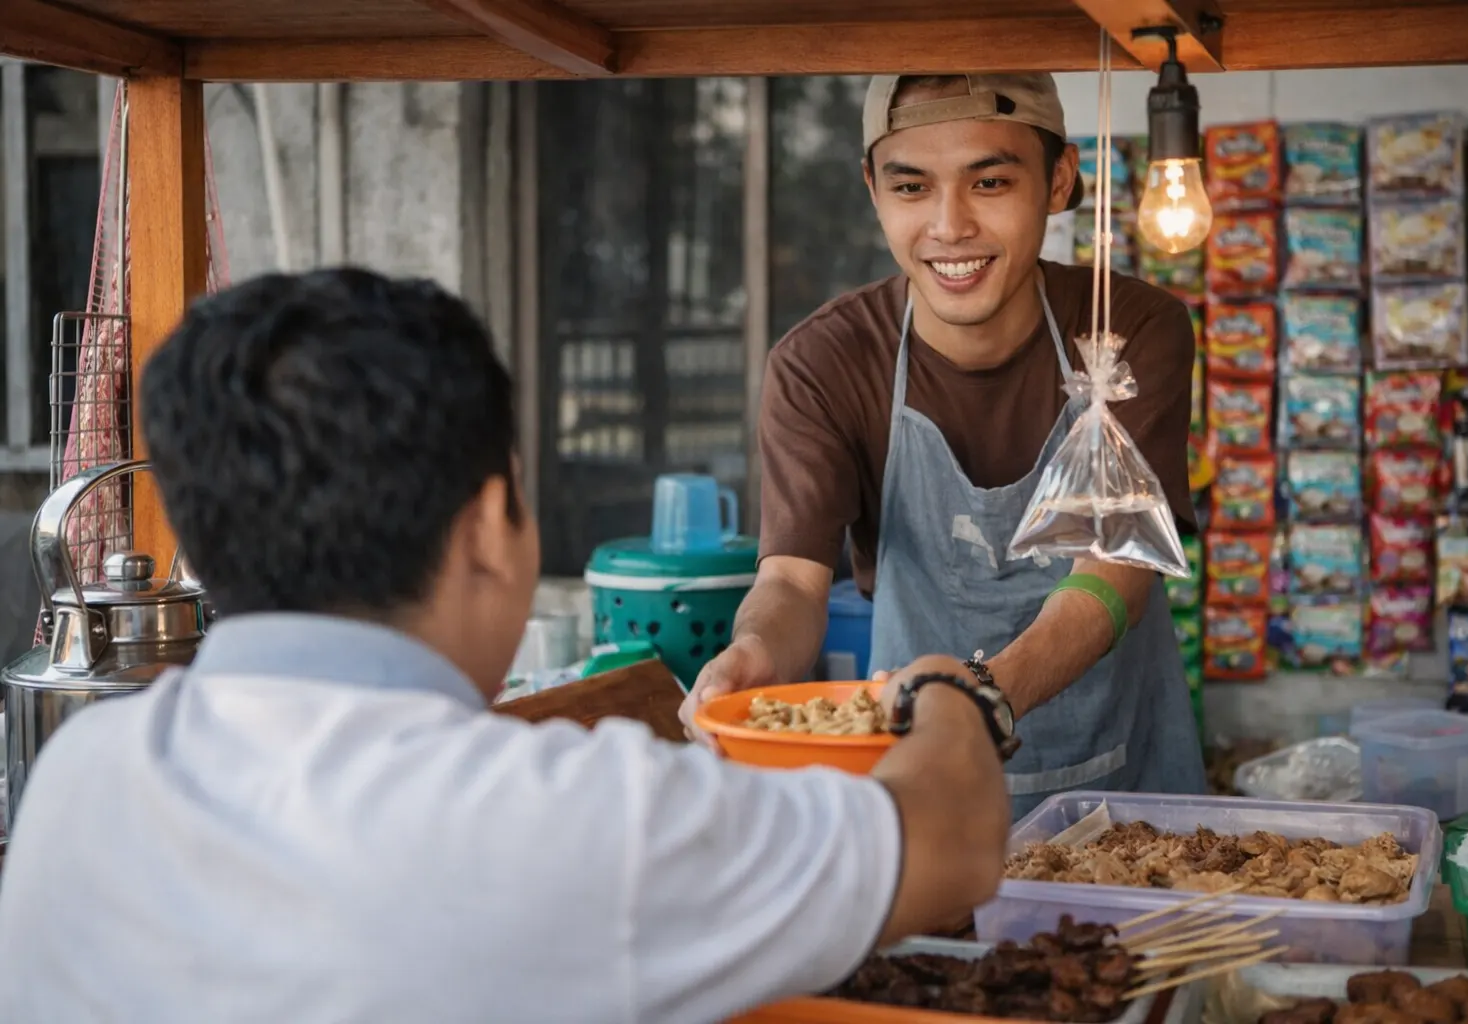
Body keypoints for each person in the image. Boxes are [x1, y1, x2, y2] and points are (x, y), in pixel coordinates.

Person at [0, 269, 1013, 1023]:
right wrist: (944, 691)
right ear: (490, 525)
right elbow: (957, 838)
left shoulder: (79, 780)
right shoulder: (571, 815)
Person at [681, 73, 1206, 819]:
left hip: (1131, 802)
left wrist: (985, 696)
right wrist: (750, 659)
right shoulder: (824, 363)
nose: (950, 226)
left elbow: (1116, 567)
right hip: (925, 793)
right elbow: (794, 585)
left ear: (1058, 181)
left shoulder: (1129, 330)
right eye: (912, 188)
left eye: (989, 181)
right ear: (873, 189)